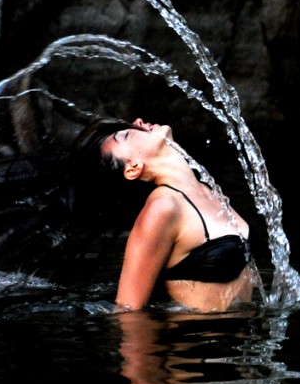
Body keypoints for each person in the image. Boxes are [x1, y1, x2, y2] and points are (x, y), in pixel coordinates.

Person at [73, 117, 255, 312]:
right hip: (197, 332)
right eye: (125, 135)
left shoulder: (209, 191)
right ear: (133, 168)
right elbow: (128, 311)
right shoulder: (162, 207)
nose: (138, 122)